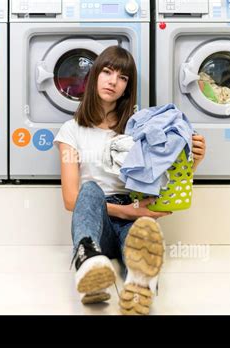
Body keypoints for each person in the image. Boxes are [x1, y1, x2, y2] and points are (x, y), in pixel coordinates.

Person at [54, 46, 206, 315]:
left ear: (127, 88)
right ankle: (88, 258)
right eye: (107, 72)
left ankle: (140, 282)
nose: (113, 81)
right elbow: (70, 200)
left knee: (138, 241)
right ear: (94, 76)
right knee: (89, 190)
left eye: (123, 78)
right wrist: (125, 211)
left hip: (133, 208)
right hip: (96, 214)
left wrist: (195, 160)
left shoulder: (140, 128)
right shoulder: (71, 130)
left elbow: (165, 177)